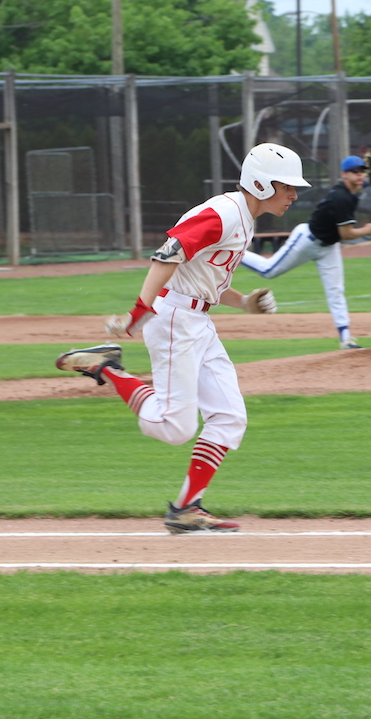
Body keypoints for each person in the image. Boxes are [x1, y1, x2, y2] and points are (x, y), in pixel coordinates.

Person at [54, 142, 310, 534]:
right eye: (286, 186)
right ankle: (109, 369)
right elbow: (168, 255)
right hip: (174, 318)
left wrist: (244, 303)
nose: (293, 194)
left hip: (196, 321)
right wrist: (138, 312)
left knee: (229, 417)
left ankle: (187, 509)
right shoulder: (224, 213)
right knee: (175, 428)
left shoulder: (244, 218)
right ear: (260, 184)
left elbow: (204, 279)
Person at [240, 154, 371, 350]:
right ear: (344, 174)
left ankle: (346, 339)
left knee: (336, 291)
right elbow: (346, 234)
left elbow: (360, 186)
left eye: (361, 171)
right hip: (307, 240)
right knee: (268, 270)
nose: (359, 175)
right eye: (354, 171)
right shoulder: (341, 197)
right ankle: (234, 251)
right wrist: (367, 230)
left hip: (329, 246)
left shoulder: (350, 190)